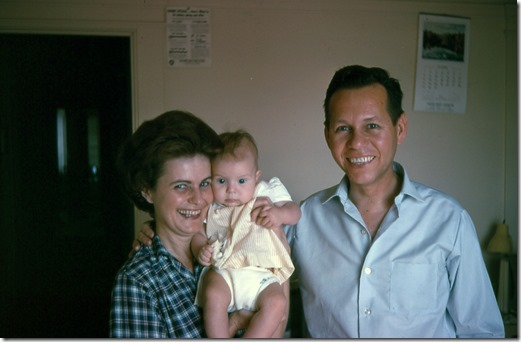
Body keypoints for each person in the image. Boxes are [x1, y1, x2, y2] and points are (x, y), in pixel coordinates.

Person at [285, 65, 504, 338]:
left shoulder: (449, 220)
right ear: (328, 134)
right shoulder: (303, 219)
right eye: (343, 128)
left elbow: (481, 331)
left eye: (372, 126)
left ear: (400, 128)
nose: (357, 142)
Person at [109, 110, 254, 338]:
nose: (198, 199)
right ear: (147, 190)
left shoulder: (230, 239)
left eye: (205, 183)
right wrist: (235, 324)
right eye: (181, 186)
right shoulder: (139, 283)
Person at [192, 130, 301, 338]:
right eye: (221, 181)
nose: (231, 190)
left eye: (241, 181)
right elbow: (197, 233)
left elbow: (295, 212)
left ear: (256, 177)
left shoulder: (265, 191)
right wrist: (200, 249)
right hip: (224, 271)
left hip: (261, 275)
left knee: (277, 303)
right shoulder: (210, 205)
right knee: (212, 295)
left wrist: (279, 214)